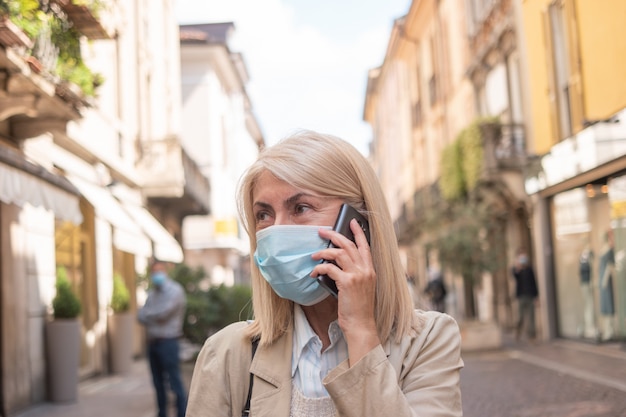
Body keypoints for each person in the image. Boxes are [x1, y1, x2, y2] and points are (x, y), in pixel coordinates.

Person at [186, 130, 463, 416]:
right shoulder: (227, 353)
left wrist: (361, 331)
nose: (277, 229)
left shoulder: (430, 340)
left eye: (301, 208)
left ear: (359, 223)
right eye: (264, 215)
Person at [137, 260, 188, 417]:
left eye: (159, 270)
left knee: (174, 382)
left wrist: (149, 314)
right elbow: (140, 316)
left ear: (165, 271)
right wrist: (152, 315)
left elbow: (164, 314)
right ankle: (162, 414)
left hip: (169, 342)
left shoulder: (175, 291)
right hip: (153, 343)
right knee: (158, 384)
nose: (156, 275)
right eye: (154, 272)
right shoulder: (151, 294)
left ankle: (182, 413)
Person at [511, 249, 539, 341]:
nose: (523, 259)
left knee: (531, 317)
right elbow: (514, 276)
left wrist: (536, 296)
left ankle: (532, 336)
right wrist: (518, 267)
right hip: (521, 296)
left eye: (524, 257)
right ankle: (518, 332)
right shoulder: (516, 270)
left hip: (530, 295)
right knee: (520, 317)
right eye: (521, 257)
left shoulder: (529, 269)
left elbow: (534, 282)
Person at [598, 230, 615, 341]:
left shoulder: (609, 250)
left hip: (606, 281)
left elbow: (610, 266)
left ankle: (610, 330)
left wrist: (604, 280)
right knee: (604, 305)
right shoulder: (602, 250)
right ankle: (606, 329)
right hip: (601, 280)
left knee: (608, 304)